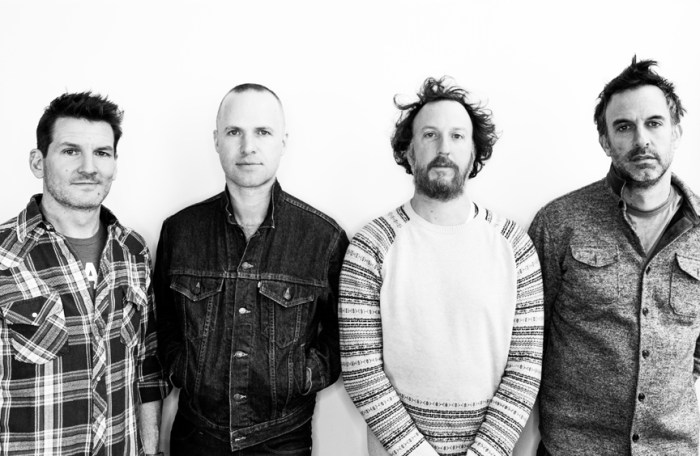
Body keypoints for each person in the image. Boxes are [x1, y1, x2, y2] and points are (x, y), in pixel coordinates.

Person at [339, 77, 544, 456]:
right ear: (409, 151)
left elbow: (525, 367)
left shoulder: (515, 245)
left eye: (457, 136)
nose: (444, 148)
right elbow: (360, 368)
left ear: (475, 153)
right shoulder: (370, 246)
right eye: (430, 135)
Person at [154, 83, 348, 456]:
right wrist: (184, 370)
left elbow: (343, 337)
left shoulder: (323, 237)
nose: (248, 146)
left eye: (262, 132)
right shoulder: (180, 231)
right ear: (216, 140)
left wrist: (302, 377)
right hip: (196, 437)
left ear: (283, 142)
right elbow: (161, 324)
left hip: (283, 440)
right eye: (234, 132)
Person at [530, 57, 699, 455]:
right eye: (624, 127)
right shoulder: (559, 222)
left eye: (654, 123)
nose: (642, 139)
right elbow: (526, 341)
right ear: (605, 141)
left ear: (676, 132)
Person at [0, 92, 167, 456]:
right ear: (38, 162)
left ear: (114, 165)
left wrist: (151, 446)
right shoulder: (4, 257)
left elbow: (147, 367)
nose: (89, 167)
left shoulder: (133, 252)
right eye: (71, 151)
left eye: (102, 153)